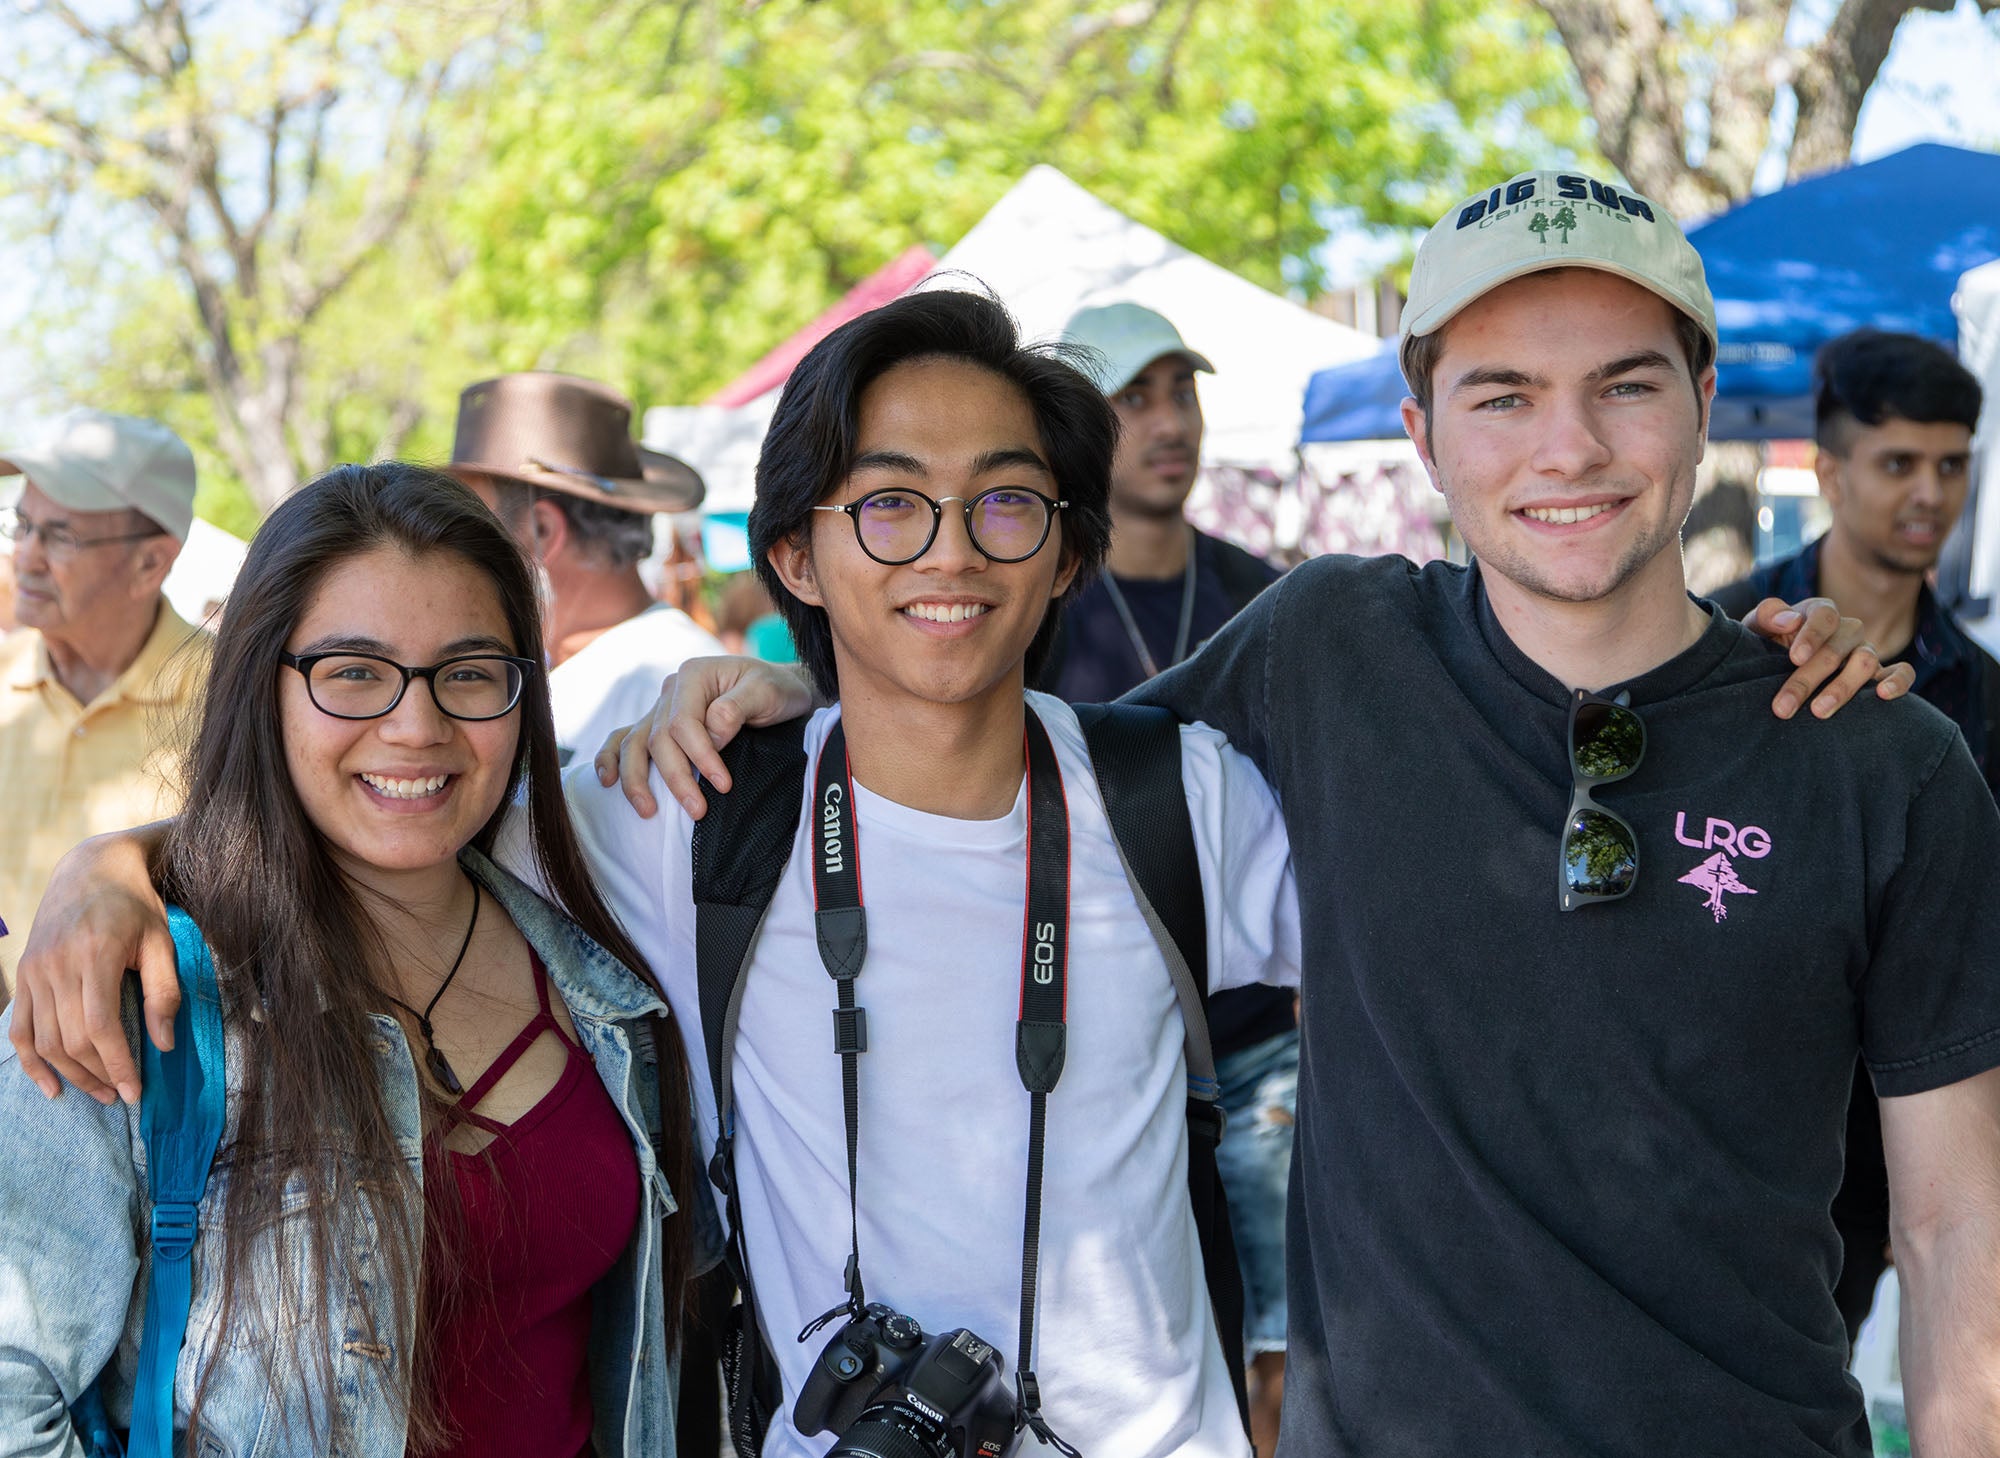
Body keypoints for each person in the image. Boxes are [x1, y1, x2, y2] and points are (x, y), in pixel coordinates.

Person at [594, 174, 2000, 1456]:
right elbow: (992, 739)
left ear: (1705, 398)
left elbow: (1952, 1231)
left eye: (1626, 387)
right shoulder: (1333, 646)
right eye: (1502, 394)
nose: (1567, 447)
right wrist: (781, 686)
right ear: (1420, 429)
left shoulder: (1881, 757)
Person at [14, 293, 1302, 1457]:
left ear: (1067, 550)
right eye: (890, 505)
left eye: (1004, 504)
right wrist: (115, 867)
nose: (948, 553)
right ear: (794, 556)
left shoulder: (1176, 804)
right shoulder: (676, 823)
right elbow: (364, 815)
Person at [0, 463, 696, 1456]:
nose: (417, 726)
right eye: (354, 672)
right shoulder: (135, 997)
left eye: (467, 671)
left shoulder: (601, 971)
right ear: (262, 683)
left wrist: (771, 685)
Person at [1709, 328, 1998, 1350]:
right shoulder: (1721, 646)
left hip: (1893, 1151)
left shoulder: (1978, 694)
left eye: (1949, 463)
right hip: (1717, 1128)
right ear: (1827, 471)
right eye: (1896, 463)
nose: (1927, 491)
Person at [1050, 299, 1297, 1453]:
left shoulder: (1266, 595)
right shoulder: (1030, 598)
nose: (1167, 423)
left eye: (1179, 393)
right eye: (1130, 399)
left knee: (1289, 1355)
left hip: (1264, 1047)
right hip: (1102, 1043)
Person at [0, 409, 208, 993]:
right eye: (22, 525)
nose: (26, 557)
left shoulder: (235, 698)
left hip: (167, 1073)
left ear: (151, 562)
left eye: (61, 535)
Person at [447, 372, 723, 764]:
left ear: (543, 531)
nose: (458, 552)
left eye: (476, 525)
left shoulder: (672, 686)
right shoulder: (575, 665)